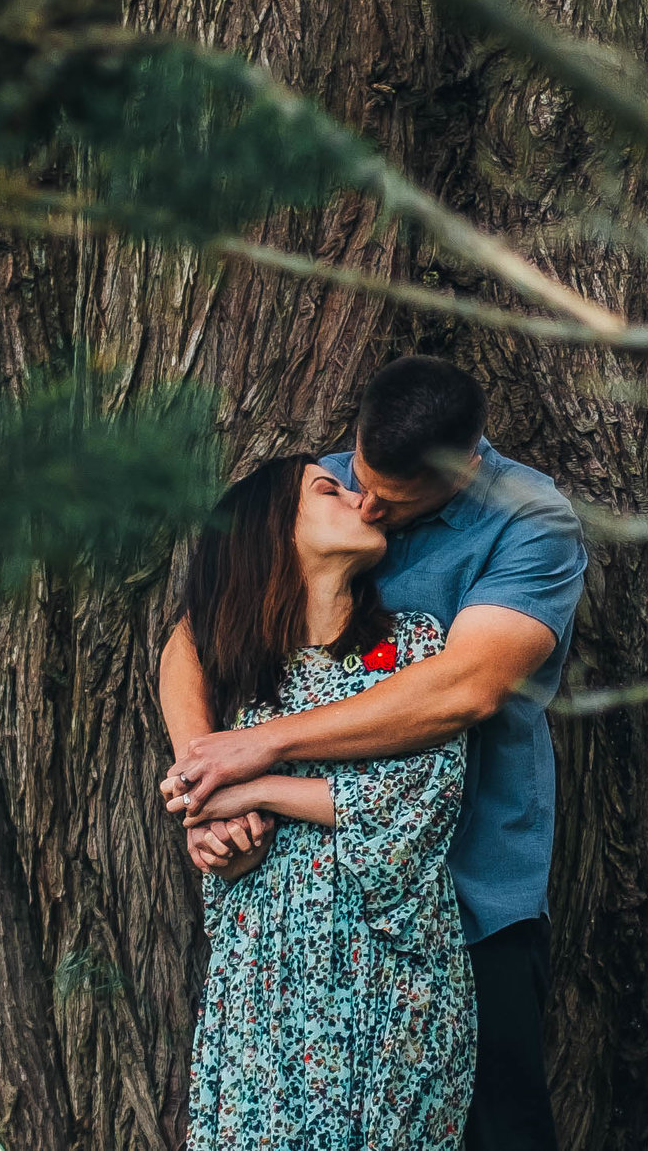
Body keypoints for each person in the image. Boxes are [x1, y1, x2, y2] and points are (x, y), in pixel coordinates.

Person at [162, 356, 585, 1151]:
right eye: (354, 474)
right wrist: (203, 783)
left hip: (466, 890)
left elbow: (463, 692)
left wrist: (257, 758)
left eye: (391, 499)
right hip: (290, 917)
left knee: (494, 1124)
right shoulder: (319, 486)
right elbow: (197, 632)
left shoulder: (531, 520)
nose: (364, 500)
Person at [172, 454, 474, 1149]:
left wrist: (259, 787)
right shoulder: (235, 678)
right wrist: (221, 840)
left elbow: (420, 799)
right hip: (260, 983)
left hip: (389, 976)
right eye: (329, 490)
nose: (364, 502)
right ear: (272, 530)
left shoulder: (415, 648)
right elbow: (220, 830)